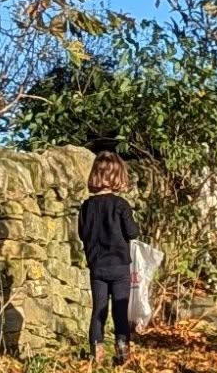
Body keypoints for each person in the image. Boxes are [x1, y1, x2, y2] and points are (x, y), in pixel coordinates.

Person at [79, 150, 139, 365]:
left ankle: (96, 351)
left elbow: (82, 234)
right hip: (120, 266)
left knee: (98, 310)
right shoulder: (120, 204)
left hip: (97, 267)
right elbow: (132, 233)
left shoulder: (86, 206)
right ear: (117, 176)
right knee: (119, 311)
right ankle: (122, 351)